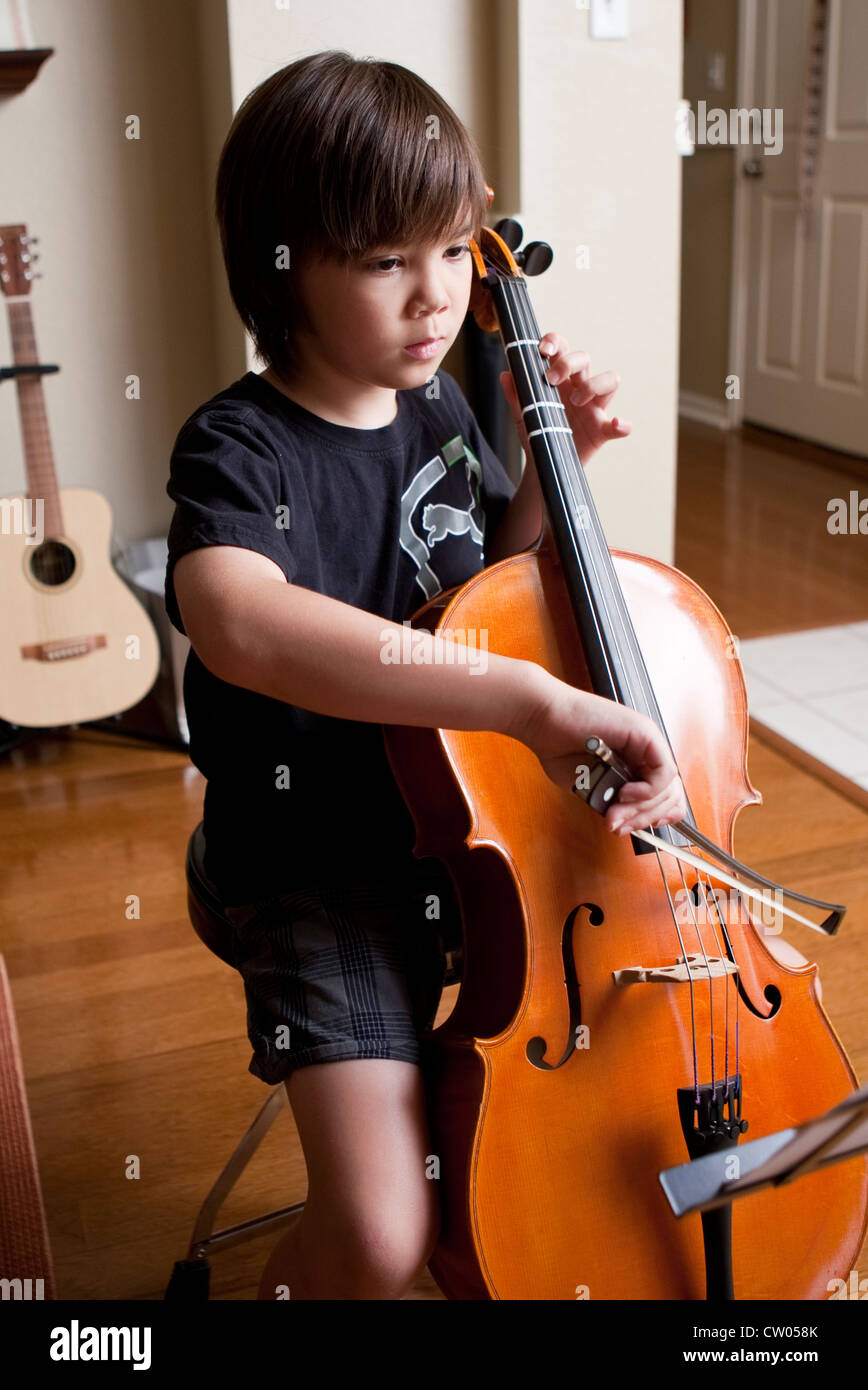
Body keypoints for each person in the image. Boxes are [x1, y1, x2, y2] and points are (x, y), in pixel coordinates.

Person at [164, 50, 686, 1301]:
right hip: (314, 867)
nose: (436, 295)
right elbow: (243, 622)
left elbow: (479, 598)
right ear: (281, 267)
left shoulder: (448, 414)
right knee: (385, 1239)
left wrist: (560, 483)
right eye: (386, 260)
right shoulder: (240, 446)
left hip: (464, 840)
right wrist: (532, 703)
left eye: (454, 251)